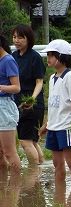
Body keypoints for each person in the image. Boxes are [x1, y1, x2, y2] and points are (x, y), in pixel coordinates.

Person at [39, 39, 71, 185]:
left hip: (66, 127)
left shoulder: (70, 76)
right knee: (57, 163)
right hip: (53, 127)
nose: (48, 58)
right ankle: (59, 195)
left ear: (61, 57)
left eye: (51, 55)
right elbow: (53, 105)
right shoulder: (52, 78)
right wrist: (47, 124)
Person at [12, 24, 46, 164]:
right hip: (17, 103)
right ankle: (40, 171)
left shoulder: (35, 57)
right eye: (14, 37)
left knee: (25, 141)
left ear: (28, 39)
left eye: (20, 37)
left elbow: (39, 82)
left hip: (32, 104)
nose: (16, 40)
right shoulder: (13, 56)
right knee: (31, 140)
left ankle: (34, 173)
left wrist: (32, 99)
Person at [0, 34, 22, 172]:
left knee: (9, 152)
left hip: (4, 107)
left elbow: (16, 87)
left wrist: (0, 87)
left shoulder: (8, 60)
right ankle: (4, 190)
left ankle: (15, 189)